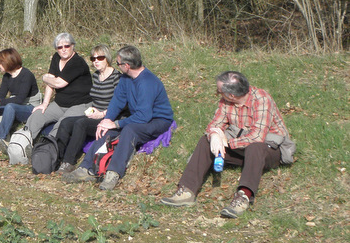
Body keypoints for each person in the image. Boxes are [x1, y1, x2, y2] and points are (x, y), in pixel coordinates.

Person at [161, 71, 295, 218]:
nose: (218, 94)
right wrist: (214, 135)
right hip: (241, 147)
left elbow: (257, 136)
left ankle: (244, 196)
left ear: (231, 95)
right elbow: (214, 124)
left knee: (255, 147)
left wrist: (226, 142)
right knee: (205, 141)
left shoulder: (261, 99)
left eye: (219, 91)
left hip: (268, 149)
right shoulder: (226, 102)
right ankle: (187, 191)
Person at [63, 45, 174, 191]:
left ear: (127, 65)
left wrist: (116, 124)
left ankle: (113, 173)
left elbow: (144, 116)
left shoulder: (147, 82)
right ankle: (87, 168)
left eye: (118, 63)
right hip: (139, 117)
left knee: (129, 130)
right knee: (106, 130)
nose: (118, 66)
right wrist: (106, 121)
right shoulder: (126, 79)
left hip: (157, 120)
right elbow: (117, 101)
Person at [51, 44, 123, 174]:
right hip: (94, 113)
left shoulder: (116, 77)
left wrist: (102, 114)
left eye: (99, 58)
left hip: (109, 117)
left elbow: (120, 104)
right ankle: (57, 158)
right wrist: (92, 110)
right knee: (66, 122)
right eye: (93, 58)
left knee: (81, 123)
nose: (96, 61)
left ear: (107, 58)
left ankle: (69, 161)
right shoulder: (95, 76)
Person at [18, 33, 92, 153]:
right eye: (59, 47)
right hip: (59, 103)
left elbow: (58, 83)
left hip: (80, 104)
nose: (63, 49)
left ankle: (47, 149)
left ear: (73, 46)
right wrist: (45, 103)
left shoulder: (77, 62)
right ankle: (21, 144)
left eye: (66, 46)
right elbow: (51, 83)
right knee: (37, 115)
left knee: (62, 123)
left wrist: (44, 77)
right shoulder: (56, 58)